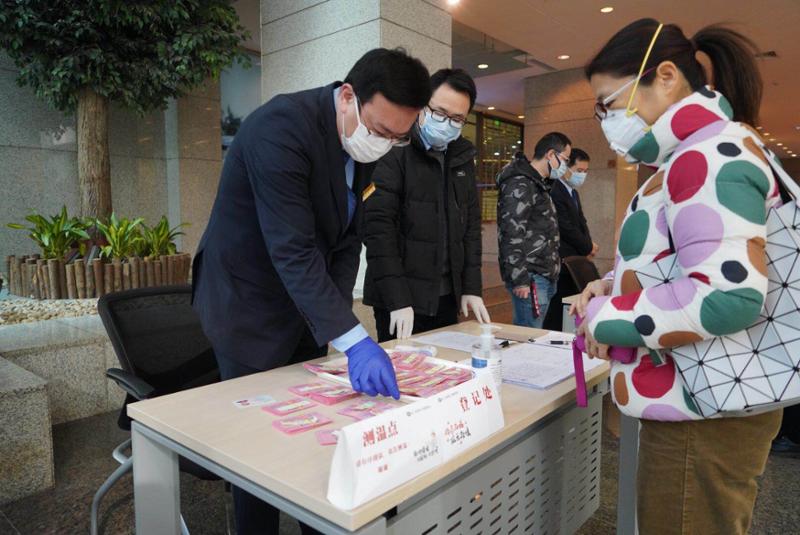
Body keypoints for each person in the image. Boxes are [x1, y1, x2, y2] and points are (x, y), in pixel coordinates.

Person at [191, 48, 431, 534]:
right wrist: (355, 340)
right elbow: (293, 250)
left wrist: (336, 322)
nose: (385, 145)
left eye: (398, 138)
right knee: (257, 450)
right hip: (247, 304)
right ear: (348, 97)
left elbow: (347, 242)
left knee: (313, 435)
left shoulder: (363, 145)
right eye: (380, 130)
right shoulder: (280, 128)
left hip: (304, 304)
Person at [571, 18, 783, 534]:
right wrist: (616, 284)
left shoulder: (704, 154)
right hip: (704, 398)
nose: (608, 121)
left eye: (609, 103)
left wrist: (604, 317)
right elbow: (688, 261)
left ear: (665, 76)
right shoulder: (697, 151)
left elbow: (727, 295)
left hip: (702, 410)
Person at [364, 68, 490, 342]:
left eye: (457, 119)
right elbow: (378, 229)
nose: (446, 123)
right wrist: (397, 299)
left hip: (446, 296)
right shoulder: (394, 147)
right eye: (440, 113)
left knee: (447, 364)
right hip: (400, 299)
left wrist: (471, 287)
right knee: (402, 368)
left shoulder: (462, 157)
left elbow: (470, 227)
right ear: (422, 106)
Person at [496, 132, 570, 328]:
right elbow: (511, 233)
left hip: (544, 274)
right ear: (550, 154)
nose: (565, 166)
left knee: (535, 334)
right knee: (528, 335)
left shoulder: (538, 184)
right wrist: (519, 279)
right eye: (565, 160)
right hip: (530, 277)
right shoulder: (520, 183)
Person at [542, 148, 598, 330]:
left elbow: (581, 222)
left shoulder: (572, 192)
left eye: (585, 171)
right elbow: (566, 227)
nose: (582, 175)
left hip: (575, 259)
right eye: (579, 170)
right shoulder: (555, 190)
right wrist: (587, 246)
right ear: (566, 168)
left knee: (570, 305)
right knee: (557, 308)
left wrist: (588, 244)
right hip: (562, 259)